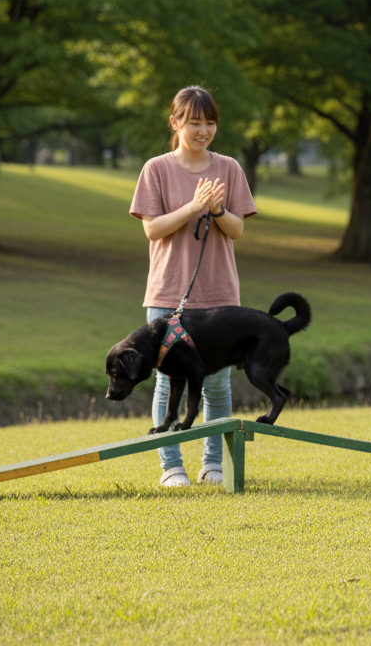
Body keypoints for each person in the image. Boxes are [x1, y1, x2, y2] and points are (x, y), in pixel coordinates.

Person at [128, 86, 257, 487]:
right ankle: (171, 467)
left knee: (217, 383)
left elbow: (236, 230)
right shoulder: (157, 169)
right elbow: (152, 229)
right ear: (176, 123)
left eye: (210, 122)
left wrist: (217, 209)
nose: (203, 130)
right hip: (168, 294)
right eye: (195, 122)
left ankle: (213, 464)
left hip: (219, 296)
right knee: (167, 383)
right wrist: (193, 207)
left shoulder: (230, 168)